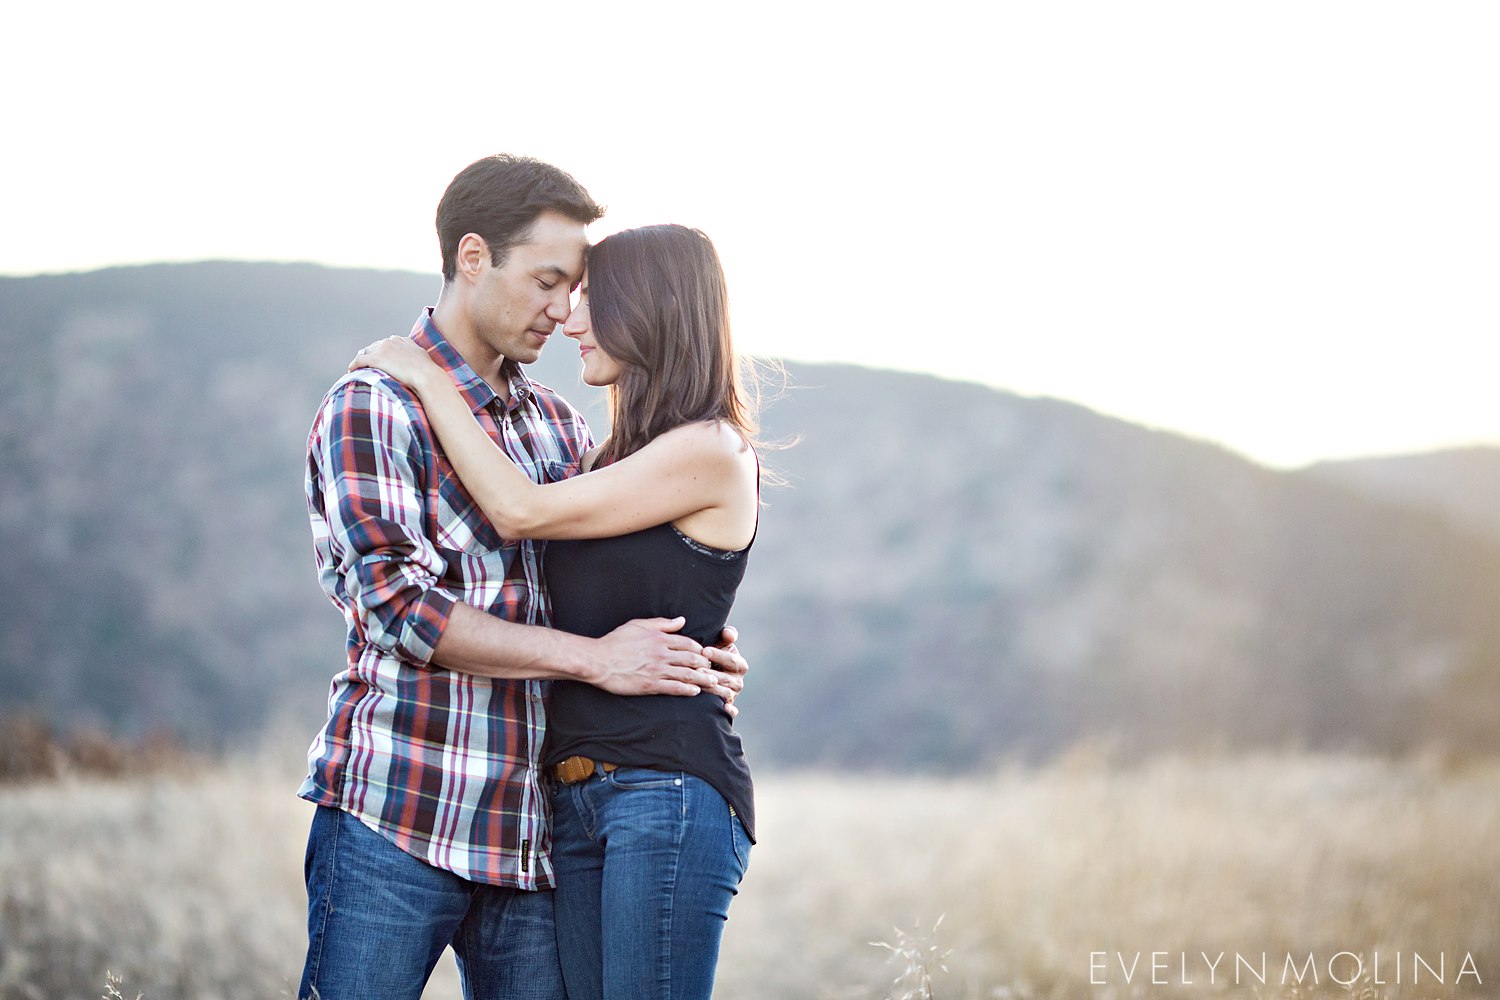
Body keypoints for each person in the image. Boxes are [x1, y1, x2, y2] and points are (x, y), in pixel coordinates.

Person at [299, 156, 748, 1000]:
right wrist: (596, 659)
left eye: (574, 287)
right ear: (473, 258)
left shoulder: (558, 427)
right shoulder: (376, 403)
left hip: (536, 833)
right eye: (547, 280)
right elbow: (400, 608)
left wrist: (700, 644)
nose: (564, 309)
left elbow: (611, 573)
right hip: (402, 809)